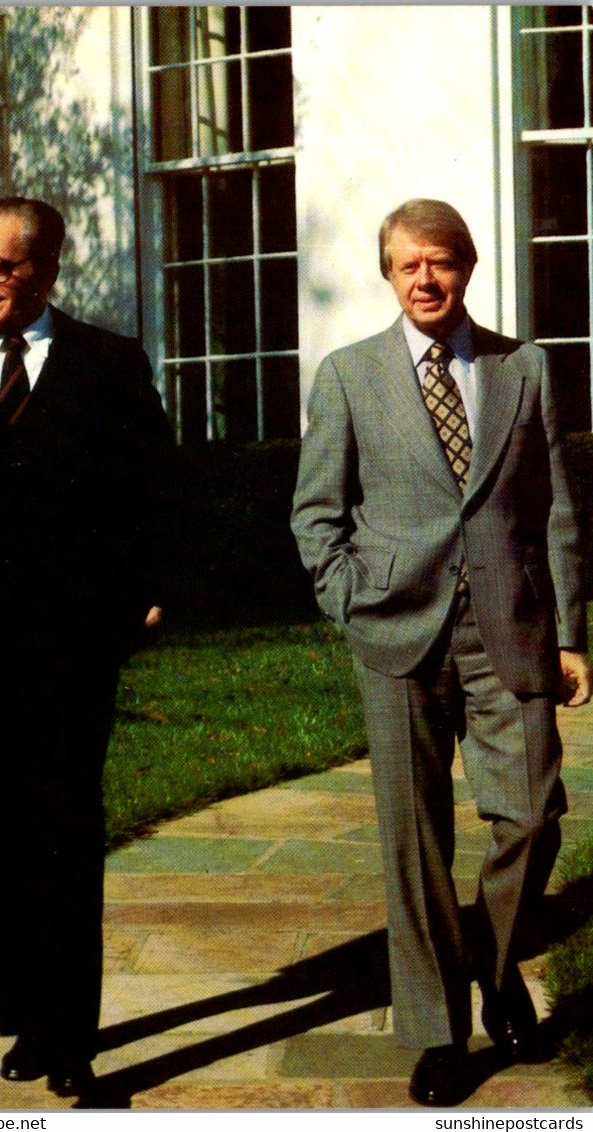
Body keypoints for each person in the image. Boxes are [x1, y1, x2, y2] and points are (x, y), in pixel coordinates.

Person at [291, 198, 592, 1107]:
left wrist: (573, 633)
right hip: (396, 631)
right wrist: (349, 602)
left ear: (467, 267)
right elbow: (316, 514)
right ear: (389, 274)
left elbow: (561, 513)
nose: (427, 280)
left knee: (533, 813)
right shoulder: (347, 376)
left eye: (443, 262)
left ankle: (496, 971)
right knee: (412, 841)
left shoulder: (523, 367)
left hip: (512, 626)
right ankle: (437, 1034)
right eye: (408, 265)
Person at [0, 197, 174, 1098]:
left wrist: (147, 593)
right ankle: (21, 1013)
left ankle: (68, 1033)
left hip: (72, 645)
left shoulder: (108, 364)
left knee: (63, 830)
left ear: (46, 269)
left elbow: (155, 488)